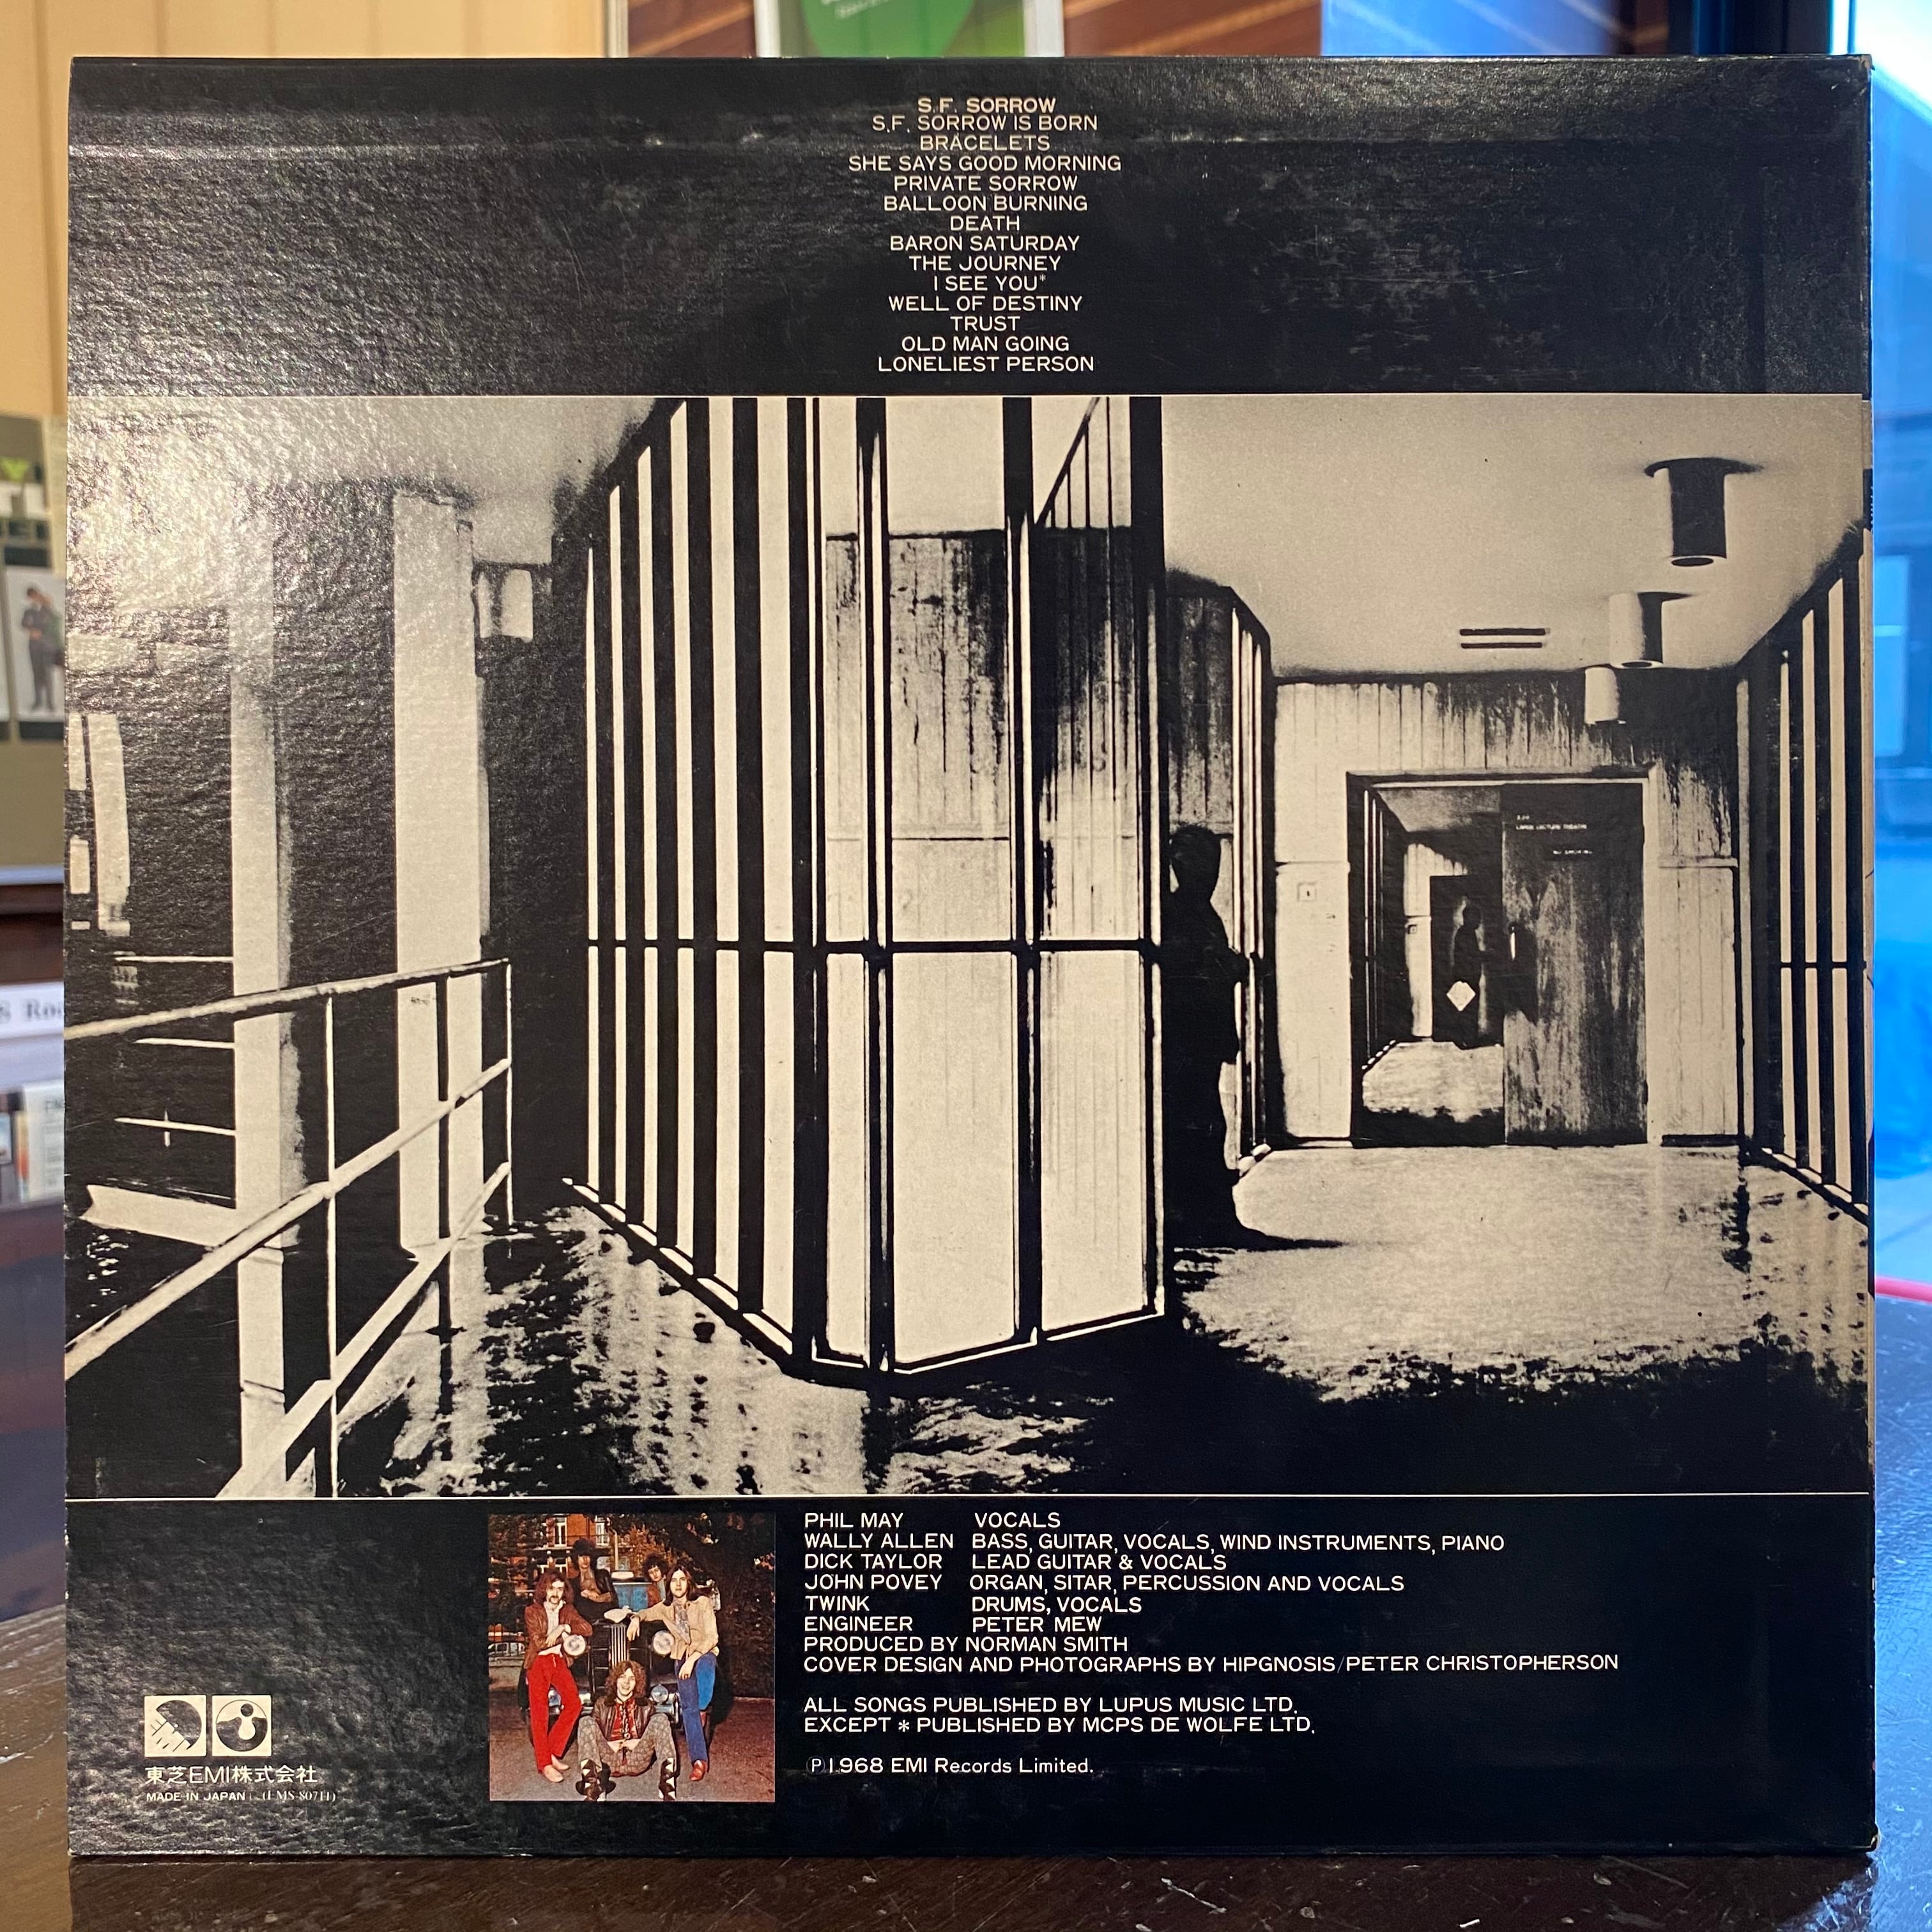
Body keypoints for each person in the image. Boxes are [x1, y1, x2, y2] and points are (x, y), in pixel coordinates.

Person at [1162, 824, 1246, 1244]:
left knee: (1208, 1123)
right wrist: (1227, 967)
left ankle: (1211, 1219)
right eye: (1197, 864)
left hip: (1202, 1038)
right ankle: (1200, 1222)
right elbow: (1181, 974)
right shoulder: (1176, 912)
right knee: (1196, 1124)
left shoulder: (1201, 911)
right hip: (1185, 1039)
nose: (1207, 873)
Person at [640, 1560, 720, 1782]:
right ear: (668, 1584)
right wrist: (636, 1619)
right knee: (688, 1708)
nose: (677, 1584)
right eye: (673, 1580)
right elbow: (646, 1613)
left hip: (704, 1652)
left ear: (688, 1583)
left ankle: (702, 1707)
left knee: (704, 1680)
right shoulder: (666, 1607)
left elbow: (712, 1637)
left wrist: (692, 1659)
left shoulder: (702, 1603)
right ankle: (699, 1761)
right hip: (681, 1655)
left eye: (682, 1580)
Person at [522, 1568, 593, 1783]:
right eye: (552, 1588)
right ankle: (544, 1764)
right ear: (544, 1589)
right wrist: (557, 1635)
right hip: (539, 1662)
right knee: (540, 1714)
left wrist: (564, 1626)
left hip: (558, 1661)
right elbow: (539, 1643)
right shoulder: (532, 1611)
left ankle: (551, 1751)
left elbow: (587, 1629)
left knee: (574, 1704)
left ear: (565, 1592)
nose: (555, 1593)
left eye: (560, 1589)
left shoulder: (567, 1610)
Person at [575, 1655, 678, 1802]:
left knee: (661, 1719)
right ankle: (592, 1786)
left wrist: (639, 1742)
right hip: (608, 1759)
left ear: (637, 1683)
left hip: (638, 1758)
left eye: (632, 1679)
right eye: (622, 1677)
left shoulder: (647, 1705)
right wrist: (608, 1744)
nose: (626, 1683)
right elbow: (591, 1738)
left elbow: (656, 1740)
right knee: (586, 1722)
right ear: (615, 1680)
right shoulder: (601, 1704)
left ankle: (668, 1785)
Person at [567, 1537, 630, 1693]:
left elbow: (613, 1597)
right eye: (581, 1556)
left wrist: (595, 1597)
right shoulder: (572, 1583)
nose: (585, 1560)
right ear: (576, 1558)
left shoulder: (602, 1575)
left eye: (588, 1556)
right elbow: (571, 1609)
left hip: (608, 1624)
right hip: (587, 1630)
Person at [1445, 901, 1487, 1049]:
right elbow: (1470, 955)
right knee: (1467, 1010)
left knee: (1466, 1009)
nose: (1479, 921)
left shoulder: (1466, 933)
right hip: (1466, 978)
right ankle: (1467, 1040)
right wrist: (1485, 955)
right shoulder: (1466, 934)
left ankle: (1466, 1039)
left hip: (1467, 977)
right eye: (1477, 918)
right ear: (1468, 918)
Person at [18, 583, 61, 716]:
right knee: (37, 674)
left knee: (48, 675)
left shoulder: (48, 609)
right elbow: (23, 623)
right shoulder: (29, 610)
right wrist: (31, 630)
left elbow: (55, 623)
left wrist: (41, 632)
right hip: (34, 647)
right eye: (30, 597)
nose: (33, 599)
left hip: (47, 647)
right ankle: (38, 702)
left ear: (38, 595)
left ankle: (50, 704)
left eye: (34, 596)